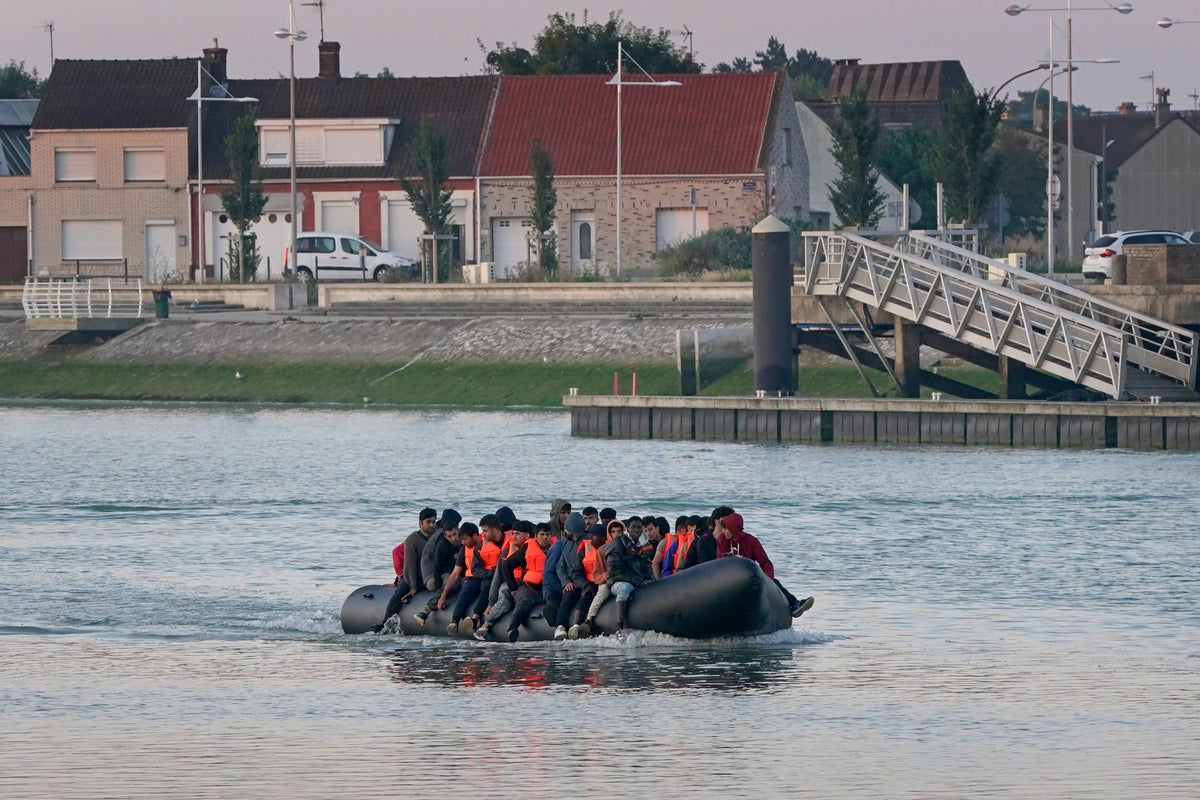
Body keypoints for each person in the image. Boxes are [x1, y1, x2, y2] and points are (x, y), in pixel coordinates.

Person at [716, 511, 814, 618]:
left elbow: (765, 562)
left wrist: (767, 579)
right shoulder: (722, 540)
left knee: (774, 582)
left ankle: (794, 605)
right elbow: (720, 561)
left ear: (733, 529)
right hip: (729, 578)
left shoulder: (751, 541)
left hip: (747, 578)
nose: (723, 531)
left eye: (726, 529)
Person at [437, 522, 500, 635]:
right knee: (465, 591)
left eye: (465, 539)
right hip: (474, 577)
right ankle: (455, 621)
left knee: (485, 589)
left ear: (475, 536)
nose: (462, 542)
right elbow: (455, 573)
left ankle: (475, 618)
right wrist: (444, 595)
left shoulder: (488, 544)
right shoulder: (464, 549)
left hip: (488, 576)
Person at [475, 520, 533, 641]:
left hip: (528, 586)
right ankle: (485, 626)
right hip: (510, 584)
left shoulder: (535, 549)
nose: (514, 537)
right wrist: (491, 602)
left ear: (527, 536)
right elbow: (498, 576)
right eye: (513, 534)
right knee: (506, 596)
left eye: (517, 534)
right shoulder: (507, 551)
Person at [603, 516, 656, 640]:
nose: (636, 530)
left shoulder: (644, 544)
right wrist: (638, 580)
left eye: (639, 528)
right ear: (627, 528)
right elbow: (614, 571)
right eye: (633, 527)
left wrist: (651, 578)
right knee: (624, 589)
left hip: (637, 580)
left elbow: (647, 563)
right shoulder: (617, 544)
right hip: (618, 580)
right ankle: (619, 628)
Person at [506, 523, 553, 642]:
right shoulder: (527, 548)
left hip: (550, 587)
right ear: (536, 536)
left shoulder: (556, 548)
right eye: (542, 535)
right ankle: (512, 628)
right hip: (530, 587)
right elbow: (507, 564)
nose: (545, 537)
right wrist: (513, 588)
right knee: (524, 602)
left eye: (547, 534)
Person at [412, 515, 462, 625]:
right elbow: (437, 567)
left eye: (455, 534)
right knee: (451, 582)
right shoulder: (442, 546)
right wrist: (439, 584)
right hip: (447, 573)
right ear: (445, 536)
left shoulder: (464, 542)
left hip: (462, 572)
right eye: (449, 536)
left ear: (458, 531)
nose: (454, 538)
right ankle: (426, 610)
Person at [568, 524, 610, 639]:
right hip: (590, 583)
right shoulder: (584, 549)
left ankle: (589, 620)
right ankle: (576, 626)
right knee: (586, 596)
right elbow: (575, 572)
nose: (591, 537)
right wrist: (585, 585)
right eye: (590, 535)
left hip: (605, 582)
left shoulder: (610, 548)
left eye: (594, 535)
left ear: (603, 537)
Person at [551, 511, 587, 639]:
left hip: (587, 581)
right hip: (572, 582)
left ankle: (579, 626)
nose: (564, 532)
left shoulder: (588, 542)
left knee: (585, 599)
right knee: (567, 599)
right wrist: (566, 581)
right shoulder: (567, 543)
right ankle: (560, 627)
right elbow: (560, 565)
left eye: (566, 530)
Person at [401, 507, 438, 603]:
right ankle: (388, 616)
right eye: (428, 522)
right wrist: (413, 586)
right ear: (421, 523)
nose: (432, 525)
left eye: (434, 522)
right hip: (416, 577)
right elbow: (410, 564)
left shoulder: (438, 536)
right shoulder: (412, 539)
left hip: (432, 576)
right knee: (398, 595)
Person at [420, 509, 463, 591]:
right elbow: (439, 564)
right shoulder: (442, 537)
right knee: (454, 581)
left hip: (432, 573)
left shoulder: (442, 533)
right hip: (432, 577)